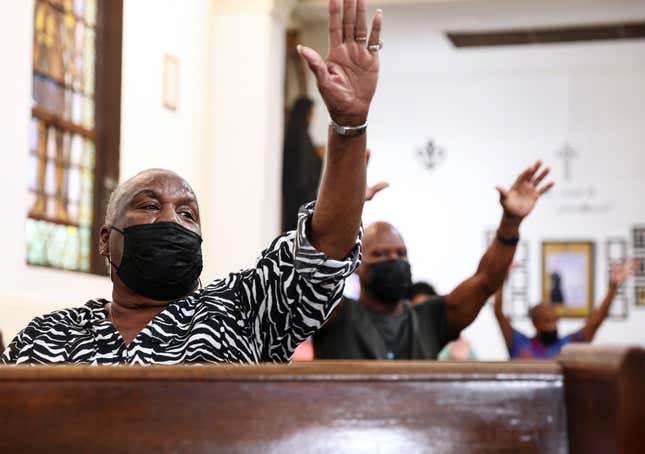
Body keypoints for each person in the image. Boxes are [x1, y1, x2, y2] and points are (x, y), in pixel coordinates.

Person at [2, 0, 383, 365]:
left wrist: (349, 125)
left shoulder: (245, 312)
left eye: (187, 213)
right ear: (105, 238)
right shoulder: (49, 336)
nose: (170, 219)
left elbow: (321, 256)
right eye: (149, 206)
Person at [314, 161, 555, 360]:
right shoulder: (334, 313)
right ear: (355, 265)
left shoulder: (429, 320)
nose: (393, 260)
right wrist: (345, 205)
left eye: (401, 254)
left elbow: (485, 282)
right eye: (379, 254)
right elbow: (317, 265)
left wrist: (510, 223)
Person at [494, 260, 635, 359]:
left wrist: (613, 287)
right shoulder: (519, 342)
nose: (554, 326)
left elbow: (595, 322)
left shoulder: (568, 346)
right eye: (548, 321)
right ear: (535, 323)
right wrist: (500, 277)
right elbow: (499, 313)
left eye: (556, 320)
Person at [282, 97, 323, 232]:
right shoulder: (299, 134)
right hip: (299, 198)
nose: (312, 118)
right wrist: (319, 158)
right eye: (311, 114)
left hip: (298, 196)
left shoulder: (300, 132)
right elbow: (302, 170)